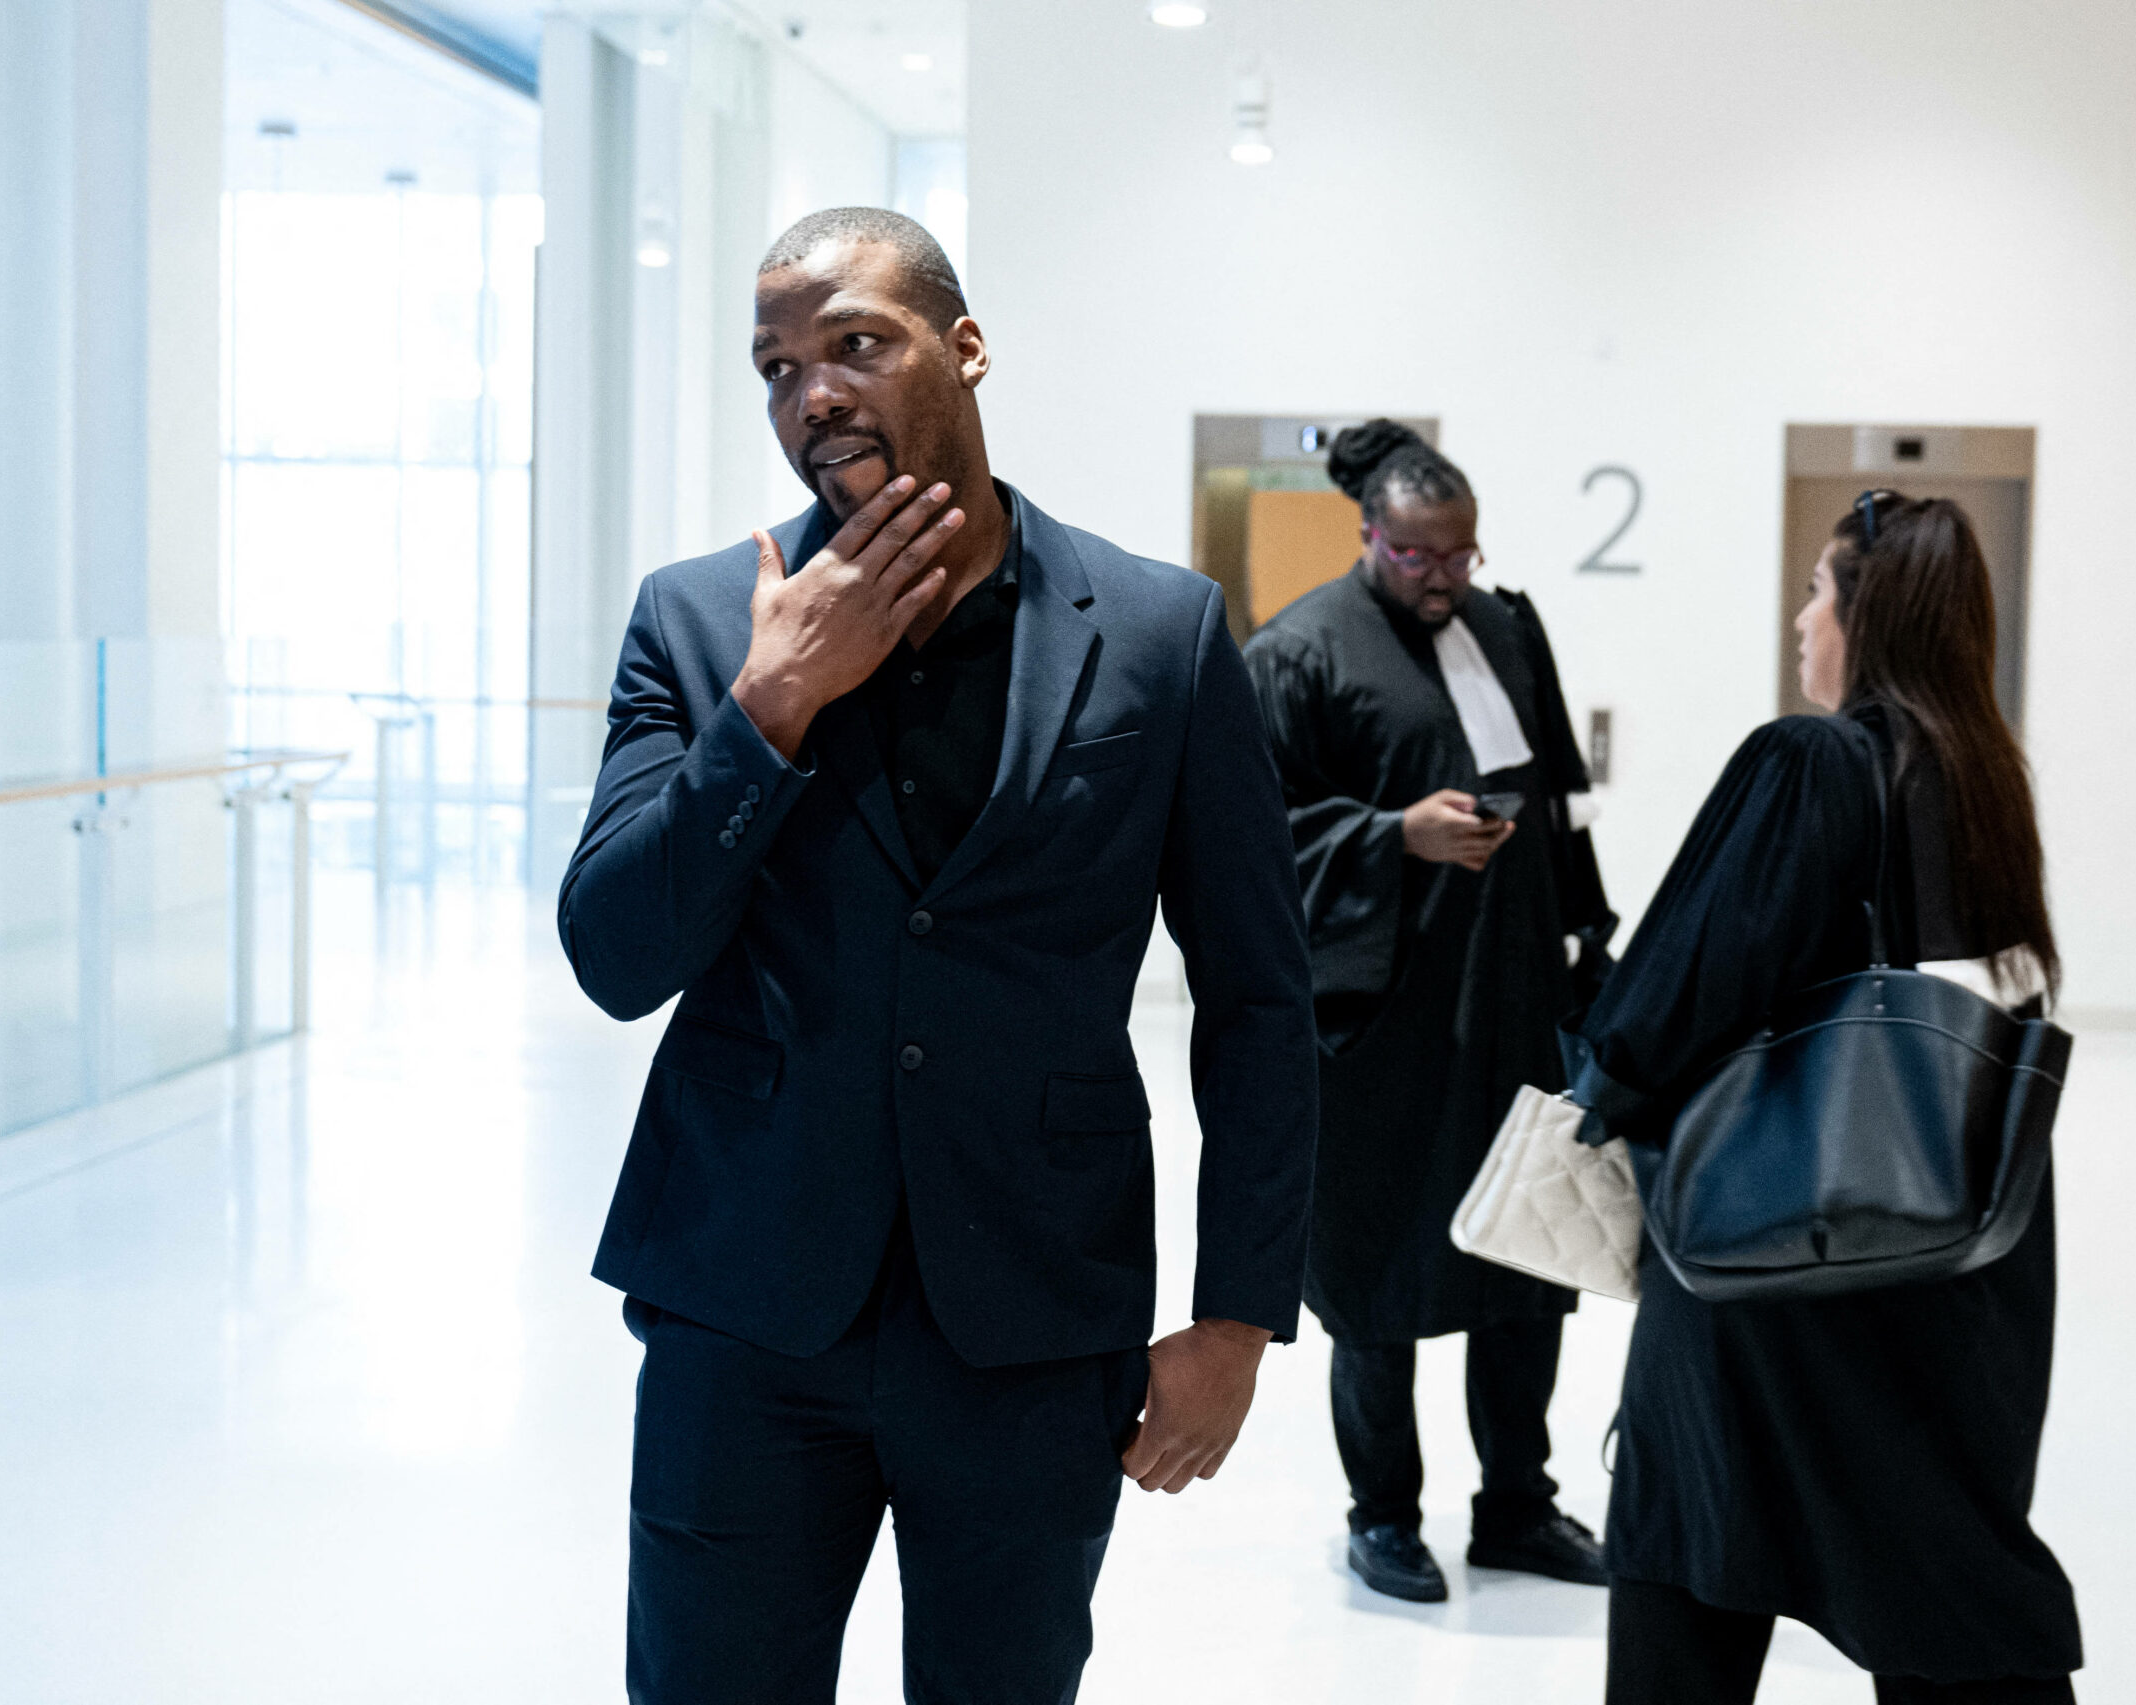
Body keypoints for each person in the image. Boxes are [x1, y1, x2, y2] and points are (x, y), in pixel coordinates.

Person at [558, 207, 1318, 1705]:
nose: (813, 393)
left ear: (965, 350)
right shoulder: (705, 620)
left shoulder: (1161, 633)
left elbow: (1256, 993)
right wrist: (770, 707)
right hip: (746, 1309)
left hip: (1029, 1315)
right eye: (776, 367)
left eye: (855, 344)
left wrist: (1236, 1313)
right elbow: (614, 953)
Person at [1567, 490, 2082, 1702]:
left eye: (1816, 588)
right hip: (1956, 1229)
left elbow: (1667, 1004)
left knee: (1695, 1544)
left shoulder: (1809, 760)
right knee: (1940, 1566)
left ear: (1869, 612)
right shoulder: (1981, 772)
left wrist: (1596, 1070)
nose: (1802, 621)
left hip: (1782, 1233)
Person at [1242, 420, 1618, 1604]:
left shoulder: (1505, 627)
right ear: (1369, 537)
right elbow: (1253, 848)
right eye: (1418, 557)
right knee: (1379, 1267)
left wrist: (1590, 947)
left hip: (1511, 992)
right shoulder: (1298, 652)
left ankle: (1517, 1502)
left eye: (1459, 553)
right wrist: (1395, 835)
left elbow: (1560, 803)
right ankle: (1384, 1515)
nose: (1445, 576)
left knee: (1529, 1247)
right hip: (1380, 1013)